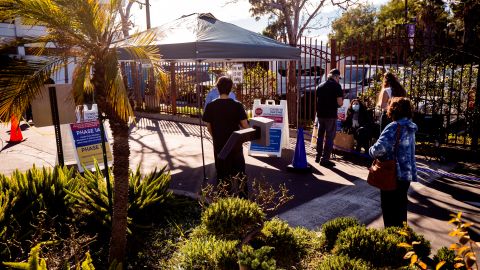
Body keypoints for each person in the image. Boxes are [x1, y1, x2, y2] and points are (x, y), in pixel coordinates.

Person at [369, 97, 417, 228]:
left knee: (389, 210)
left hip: (392, 173)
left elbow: (379, 150)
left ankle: (391, 242)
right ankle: (402, 241)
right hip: (406, 175)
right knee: (401, 209)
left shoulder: (393, 127)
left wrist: (370, 150)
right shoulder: (410, 127)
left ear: (393, 110)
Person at [202, 76, 249, 185]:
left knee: (222, 173)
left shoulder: (210, 106)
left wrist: (215, 137)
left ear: (217, 88)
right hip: (235, 143)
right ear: (231, 88)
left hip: (219, 144)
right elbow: (245, 125)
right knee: (240, 172)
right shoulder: (237, 106)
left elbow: (209, 127)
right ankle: (242, 197)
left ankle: (223, 197)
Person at [315, 68, 344, 167]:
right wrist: (338, 104)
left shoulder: (320, 86)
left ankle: (318, 156)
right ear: (335, 77)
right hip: (330, 115)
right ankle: (325, 159)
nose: (338, 79)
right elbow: (340, 102)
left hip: (320, 114)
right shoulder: (337, 86)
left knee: (320, 136)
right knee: (329, 138)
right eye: (338, 78)